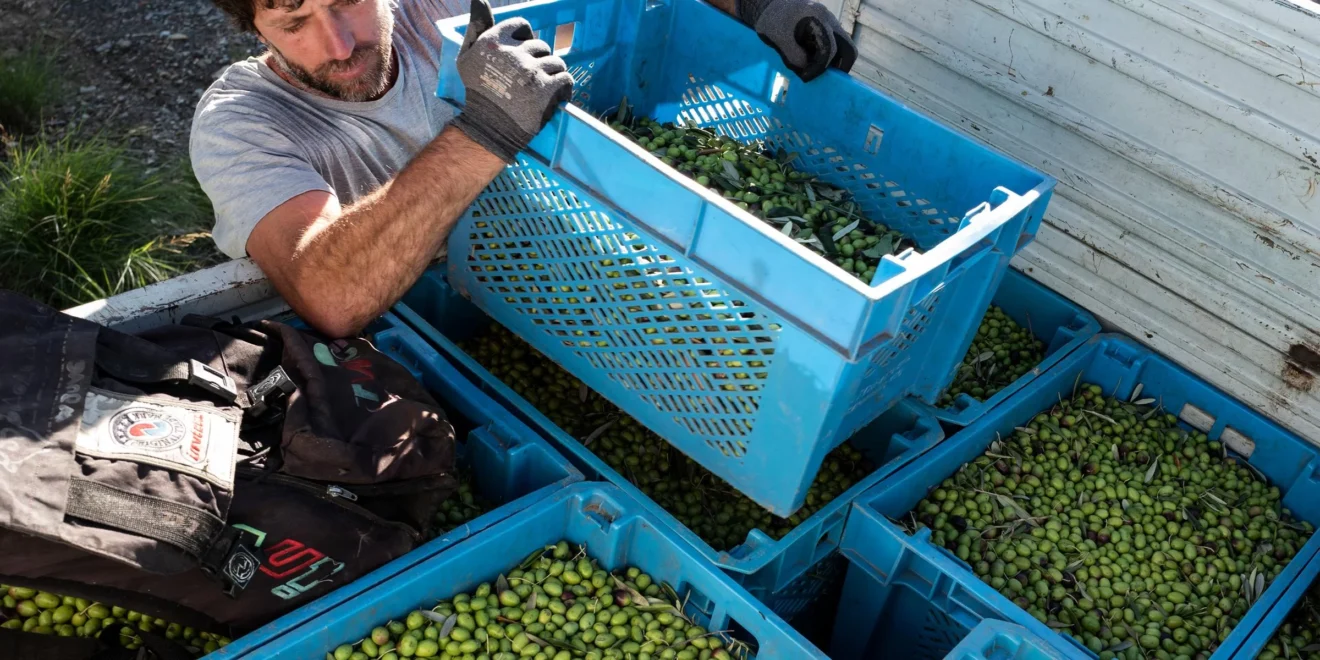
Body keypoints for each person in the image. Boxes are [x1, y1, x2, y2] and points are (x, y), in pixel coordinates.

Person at [192, 0, 856, 338]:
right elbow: (330, 298)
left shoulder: (439, 8)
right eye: (294, 20)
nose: (337, 44)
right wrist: (486, 128)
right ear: (254, 25)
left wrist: (756, 7)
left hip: (578, 290)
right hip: (424, 346)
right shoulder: (241, 122)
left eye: (345, 2)